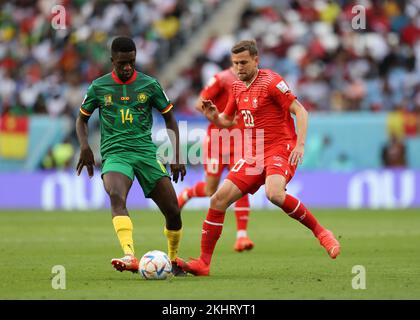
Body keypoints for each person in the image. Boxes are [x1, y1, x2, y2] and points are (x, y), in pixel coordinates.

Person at [176, 40, 341, 276]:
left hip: (279, 148)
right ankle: (204, 263)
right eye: (235, 64)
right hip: (253, 154)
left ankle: (322, 233)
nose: (239, 68)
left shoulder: (272, 81)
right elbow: (228, 120)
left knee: (274, 193)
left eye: (243, 62)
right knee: (218, 200)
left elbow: (300, 111)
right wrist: (214, 117)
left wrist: (300, 145)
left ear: (256, 60)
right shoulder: (236, 87)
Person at [75, 36, 187, 275]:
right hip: (116, 154)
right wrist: (85, 146)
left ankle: (174, 260)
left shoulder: (150, 85)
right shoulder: (98, 87)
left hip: (146, 154)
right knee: (116, 196)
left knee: (173, 211)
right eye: (122, 63)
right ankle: (129, 255)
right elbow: (81, 119)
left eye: (131, 62)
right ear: (112, 60)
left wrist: (177, 155)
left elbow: (170, 119)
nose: (127, 67)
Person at [177, 66, 254, 252]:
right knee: (211, 189)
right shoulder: (221, 79)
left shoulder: (256, 82)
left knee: (240, 185)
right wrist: (222, 115)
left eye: (244, 61)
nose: (241, 65)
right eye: (238, 61)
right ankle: (187, 194)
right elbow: (198, 103)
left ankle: (242, 236)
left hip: (240, 142)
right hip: (217, 142)